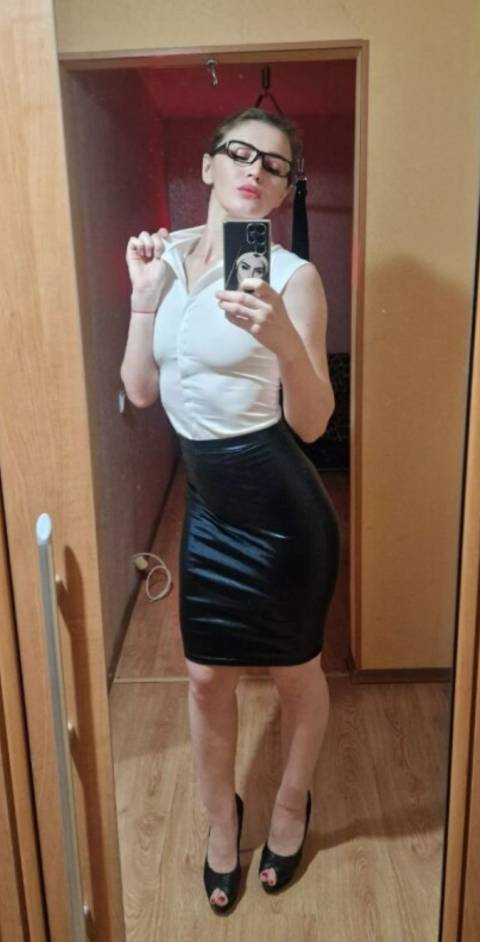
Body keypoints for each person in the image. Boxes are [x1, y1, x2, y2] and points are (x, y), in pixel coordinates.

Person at [120, 107, 340, 914]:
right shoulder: (168, 257)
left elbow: (313, 423)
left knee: (293, 673)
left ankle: (290, 805)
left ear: (283, 192)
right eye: (240, 153)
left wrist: (283, 340)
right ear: (209, 164)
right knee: (206, 677)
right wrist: (144, 301)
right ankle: (223, 818)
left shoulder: (293, 277)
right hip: (209, 507)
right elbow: (142, 390)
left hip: (281, 512)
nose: (255, 169)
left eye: (275, 165)